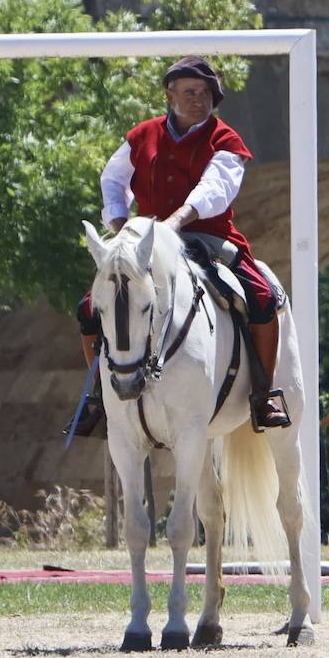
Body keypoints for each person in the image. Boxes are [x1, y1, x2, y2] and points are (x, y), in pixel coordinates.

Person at [71, 56, 290, 434]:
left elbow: (214, 190)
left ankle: (263, 394)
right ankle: (99, 395)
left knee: (261, 297)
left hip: (209, 237)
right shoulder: (141, 136)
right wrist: (121, 226)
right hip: (146, 240)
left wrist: (175, 223)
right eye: (190, 92)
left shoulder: (225, 139)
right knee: (90, 307)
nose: (198, 100)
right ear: (170, 94)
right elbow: (112, 180)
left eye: (205, 93)